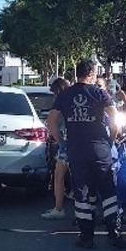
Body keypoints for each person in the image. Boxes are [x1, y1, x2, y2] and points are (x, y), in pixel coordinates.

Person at [46, 59, 126, 249]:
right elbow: (116, 121)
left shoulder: (65, 95)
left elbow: (51, 121)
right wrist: (110, 140)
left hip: (76, 149)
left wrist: (62, 142)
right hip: (100, 149)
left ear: (77, 74)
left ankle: (86, 236)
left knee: (81, 192)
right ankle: (114, 234)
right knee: (108, 191)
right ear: (91, 74)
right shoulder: (100, 93)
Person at [41, 77, 73, 220]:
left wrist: (60, 141)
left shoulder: (61, 101)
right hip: (83, 142)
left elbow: (51, 122)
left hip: (67, 143)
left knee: (59, 176)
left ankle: (58, 208)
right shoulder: (75, 98)